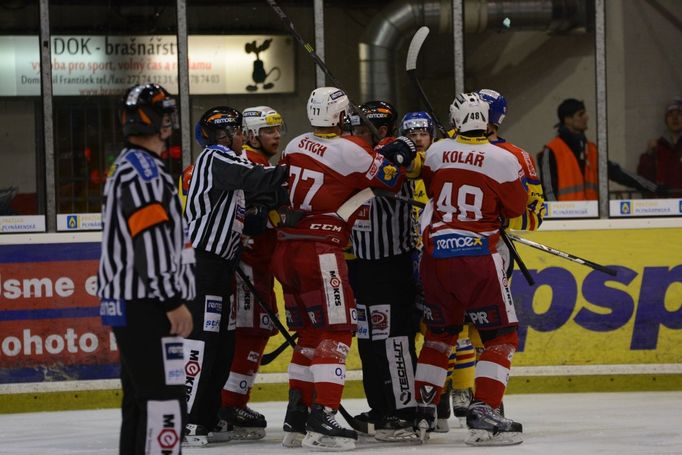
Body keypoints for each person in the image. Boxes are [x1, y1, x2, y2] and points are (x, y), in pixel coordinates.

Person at [270, 87, 415, 451]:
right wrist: (395, 152)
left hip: (286, 248)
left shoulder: (296, 144)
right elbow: (390, 180)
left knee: (308, 335)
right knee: (337, 331)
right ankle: (325, 413)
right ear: (338, 115)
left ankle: (298, 416)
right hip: (320, 250)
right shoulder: (350, 150)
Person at [414, 92, 527, 446]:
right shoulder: (504, 159)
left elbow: (432, 187)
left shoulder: (435, 150)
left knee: (439, 335)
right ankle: (485, 413)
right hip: (477, 257)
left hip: (434, 258)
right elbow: (518, 208)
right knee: (500, 337)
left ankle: (421, 411)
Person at [97, 83, 195, 455]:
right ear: (156, 121)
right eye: (165, 114)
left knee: (141, 401)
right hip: (147, 305)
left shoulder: (129, 165)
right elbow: (149, 240)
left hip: (135, 302)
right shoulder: (144, 171)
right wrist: (171, 300)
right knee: (164, 402)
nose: (169, 121)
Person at [182, 106, 288, 446]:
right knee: (202, 344)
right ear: (225, 135)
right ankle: (188, 419)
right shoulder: (216, 159)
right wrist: (303, 166)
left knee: (223, 345)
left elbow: (259, 201)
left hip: (221, 268)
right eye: (241, 131)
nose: (245, 136)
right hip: (202, 267)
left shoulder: (232, 165)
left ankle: (211, 415)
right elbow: (259, 178)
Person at [347, 102, 423, 442]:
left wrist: (385, 150)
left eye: (366, 129)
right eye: (357, 129)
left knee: (396, 341)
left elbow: (403, 158)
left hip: (393, 266)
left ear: (382, 129)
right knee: (368, 342)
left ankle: (404, 412)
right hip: (361, 267)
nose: (358, 134)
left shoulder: (400, 147)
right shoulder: (350, 155)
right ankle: (380, 408)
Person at [217, 106, 286, 440]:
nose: (276, 136)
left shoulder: (258, 164)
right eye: (269, 131)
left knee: (252, 332)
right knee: (250, 333)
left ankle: (229, 401)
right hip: (248, 265)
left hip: (258, 266)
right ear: (252, 134)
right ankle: (230, 403)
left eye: (278, 130)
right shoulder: (250, 164)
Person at [539, 98, 658, 201]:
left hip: (592, 219)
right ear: (568, 120)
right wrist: (556, 219)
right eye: (581, 114)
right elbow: (548, 190)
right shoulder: (551, 151)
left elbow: (617, 173)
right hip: (566, 220)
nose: (586, 117)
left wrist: (653, 187)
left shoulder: (591, 149)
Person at [637, 99, 682, 197]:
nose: (675, 118)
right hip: (663, 205)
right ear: (666, 119)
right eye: (670, 115)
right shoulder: (657, 147)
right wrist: (648, 154)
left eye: (679, 114)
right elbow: (644, 178)